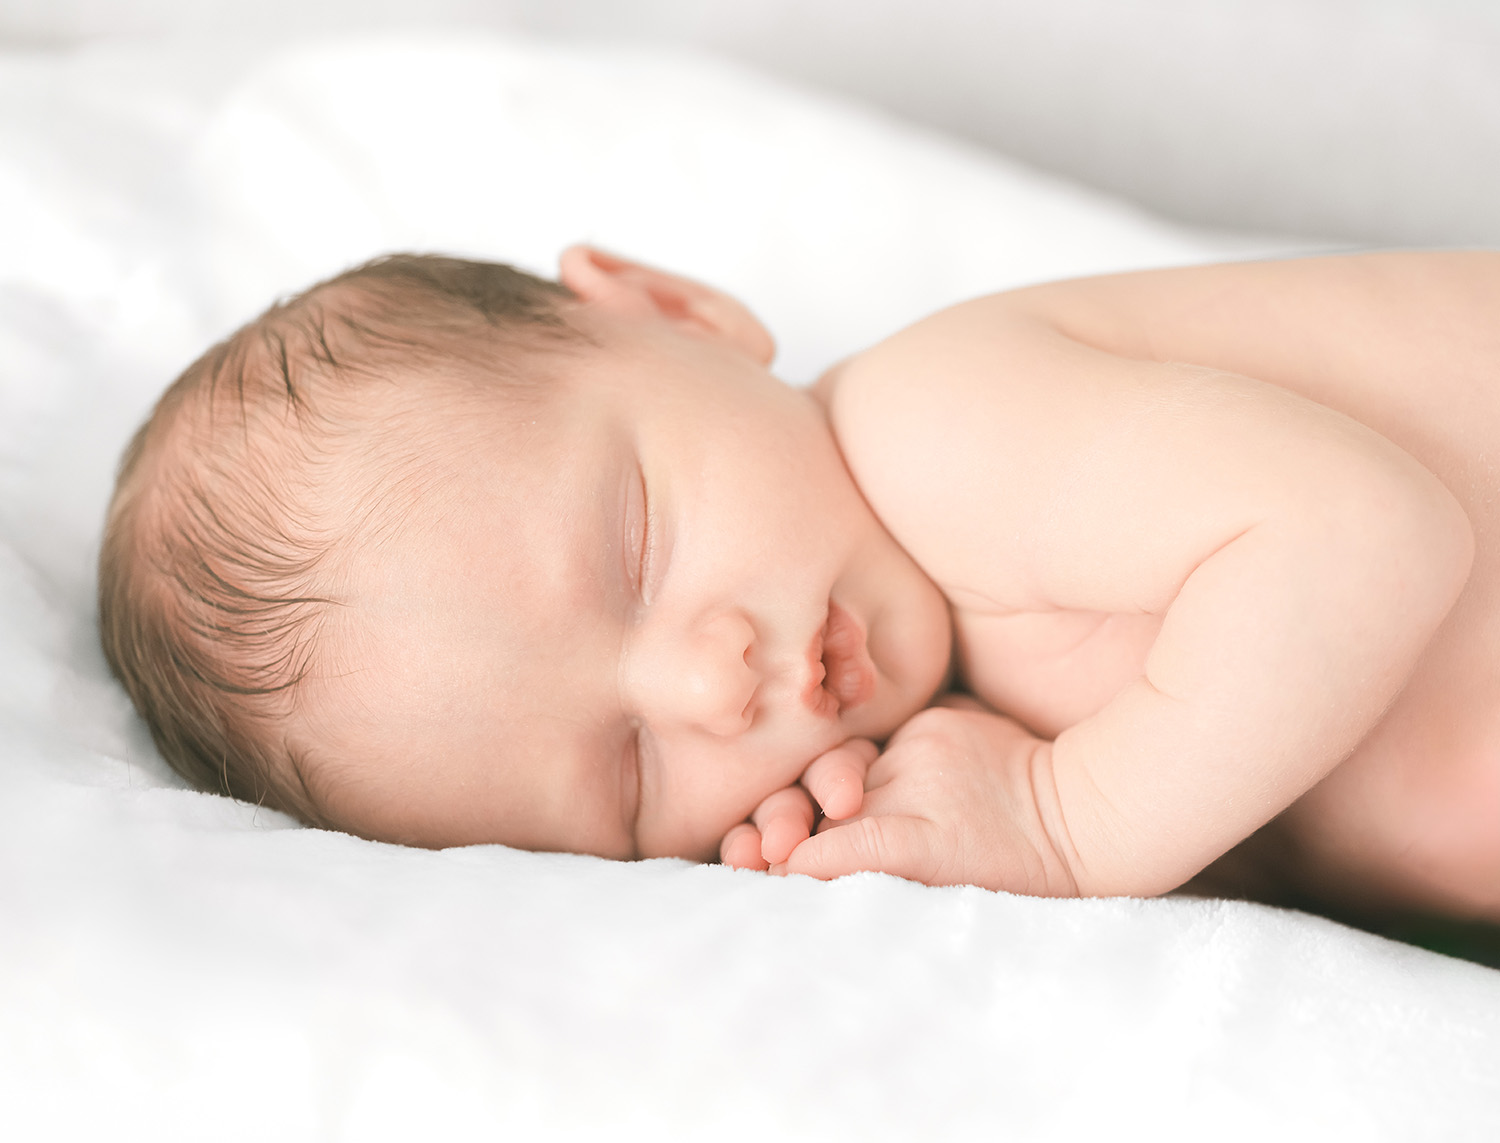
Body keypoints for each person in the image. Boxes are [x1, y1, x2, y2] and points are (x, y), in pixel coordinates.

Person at [100, 246, 1500, 927]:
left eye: (634, 547)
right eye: (629, 773)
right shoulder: (957, 720)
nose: (711, 684)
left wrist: (1073, 826)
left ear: (674, 312)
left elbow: (1364, 534)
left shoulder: (938, 428)